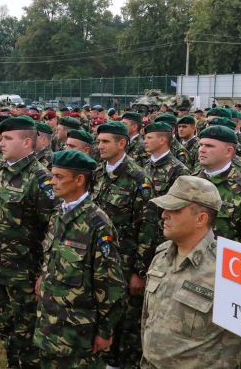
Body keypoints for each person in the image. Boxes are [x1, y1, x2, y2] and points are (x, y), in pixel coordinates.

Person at [34, 150, 126, 368]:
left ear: (79, 180)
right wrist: (43, 276)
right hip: (50, 321)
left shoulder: (97, 224)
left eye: (59, 177)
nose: (52, 181)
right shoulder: (59, 213)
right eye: (52, 175)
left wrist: (104, 331)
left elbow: (111, 285)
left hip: (78, 332)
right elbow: (53, 255)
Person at [141, 176, 241, 368]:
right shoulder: (161, 257)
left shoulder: (228, 270)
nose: (164, 214)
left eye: (175, 210)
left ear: (201, 219)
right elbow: (148, 321)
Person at [0, 115, 57, 369]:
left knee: (27, 337)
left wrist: (44, 272)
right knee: (7, 331)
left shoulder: (40, 178)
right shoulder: (4, 171)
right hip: (2, 271)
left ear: (27, 142)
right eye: (1, 137)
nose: (1, 143)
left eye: (7, 138)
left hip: (26, 274)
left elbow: (53, 229)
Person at [92, 121, 157, 369]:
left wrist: (140, 272)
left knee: (127, 328)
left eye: (106, 141)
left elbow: (148, 229)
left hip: (126, 265)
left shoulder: (139, 179)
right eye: (98, 141)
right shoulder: (99, 173)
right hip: (101, 263)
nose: (100, 146)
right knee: (104, 318)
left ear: (122, 143)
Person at [194, 125, 241, 246]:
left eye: (209, 146)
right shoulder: (191, 180)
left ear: (228, 151)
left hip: (222, 261)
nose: (202, 149)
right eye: (201, 145)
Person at [143, 122, 190, 197]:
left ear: (162, 140)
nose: (145, 141)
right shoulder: (147, 164)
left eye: (149, 138)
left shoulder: (179, 170)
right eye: (145, 138)